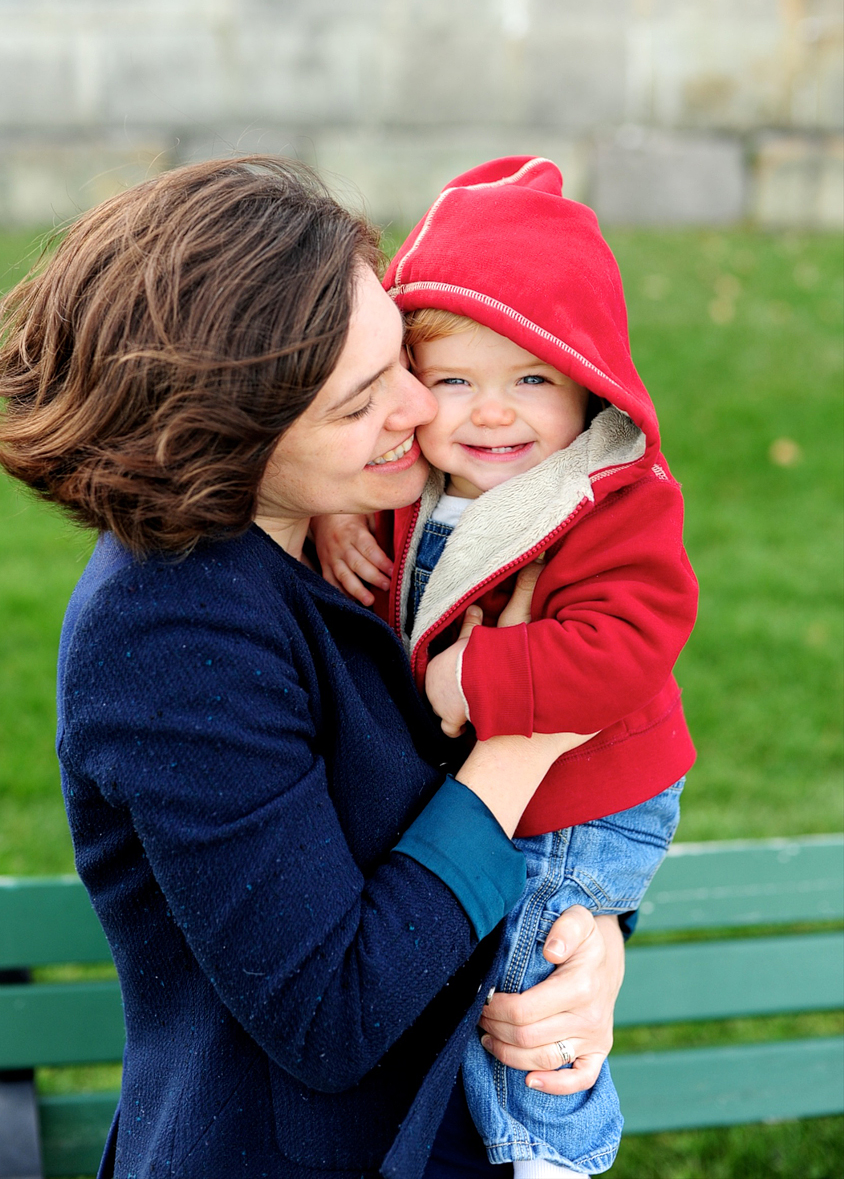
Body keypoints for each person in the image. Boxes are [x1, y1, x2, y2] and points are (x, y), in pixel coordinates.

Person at [0, 156, 628, 1179]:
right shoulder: (170, 632)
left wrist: (592, 942)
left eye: (404, 356)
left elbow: (450, 837)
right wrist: (521, 748)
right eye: (362, 400)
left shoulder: (362, 539)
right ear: (227, 439)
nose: (421, 406)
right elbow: (332, 1010)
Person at [314, 156, 698, 1176]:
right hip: (514, 792)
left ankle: (553, 1149)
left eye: (533, 380)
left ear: (591, 382)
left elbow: (628, 644)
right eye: (453, 382)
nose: (492, 416)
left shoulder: (607, 498)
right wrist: (336, 512)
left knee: (529, 960)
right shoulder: (427, 486)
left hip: (592, 798)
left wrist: (472, 679)